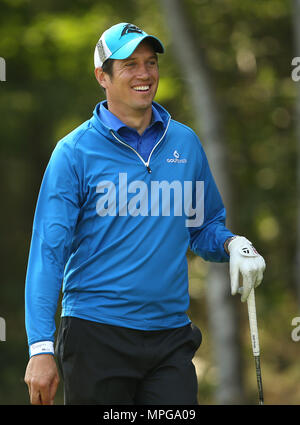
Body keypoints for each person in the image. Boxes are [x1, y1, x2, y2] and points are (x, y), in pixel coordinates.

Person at [24, 22, 266, 405]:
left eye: (150, 62)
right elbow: (47, 255)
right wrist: (40, 348)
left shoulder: (184, 142)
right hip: (95, 333)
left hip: (169, 337)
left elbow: (203, 228)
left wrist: (235, 244)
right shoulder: (73, 153)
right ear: (102, 76)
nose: (144, 74)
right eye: (130, 64)